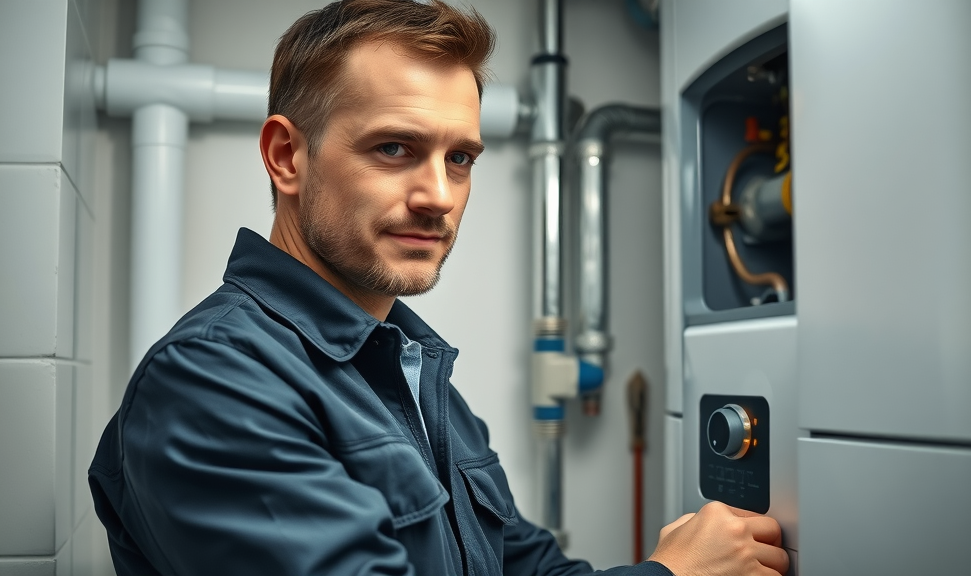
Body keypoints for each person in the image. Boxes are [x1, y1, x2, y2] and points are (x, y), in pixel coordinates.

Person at [88, 1, 791, 575]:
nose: (440, 196)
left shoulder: (412, 371)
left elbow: (529, 569)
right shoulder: (213, 382)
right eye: (394, 148)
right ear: (286, 156)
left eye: (460, 159)